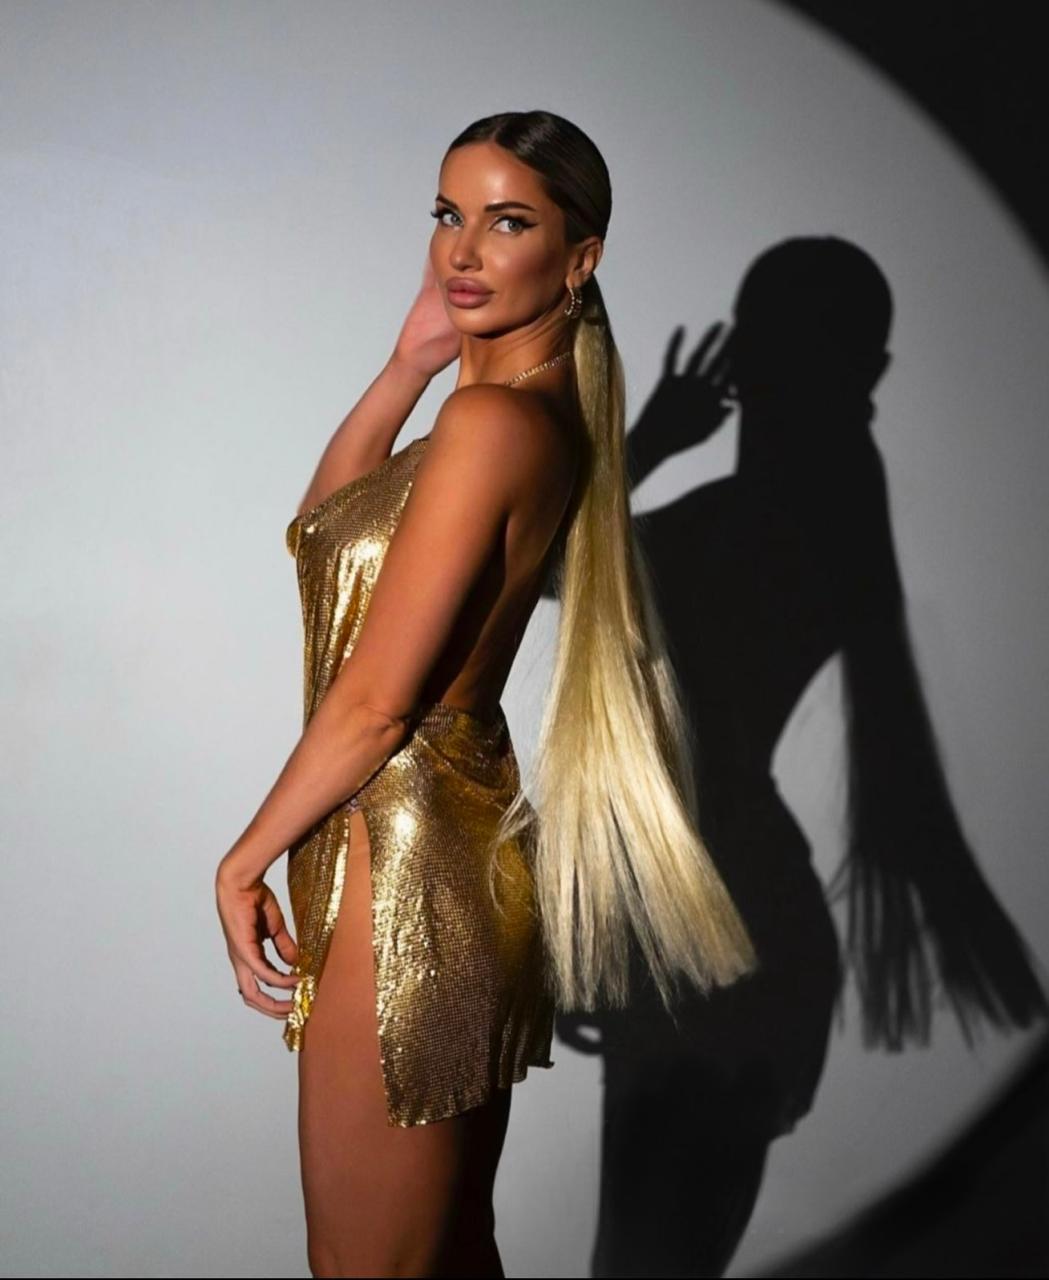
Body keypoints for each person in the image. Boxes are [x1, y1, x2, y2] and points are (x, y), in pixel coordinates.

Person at [214, 110, 758, 1279]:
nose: (461, 250)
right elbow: (319, 538)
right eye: (446, 214)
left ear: (578, 257)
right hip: (438, 848)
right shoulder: (510, 414)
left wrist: (241, 858)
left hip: (401, 864)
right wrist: (407, 364)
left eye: (506, 222)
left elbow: (372, 701)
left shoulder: (491, 422)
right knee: (451, 1249)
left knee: (368, 1265)